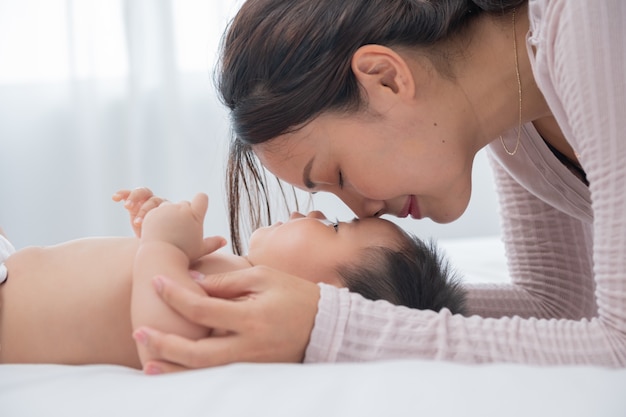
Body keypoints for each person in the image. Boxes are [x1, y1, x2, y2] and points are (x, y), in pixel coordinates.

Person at [130, 0, 626, 372]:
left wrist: (333, 326)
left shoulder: (586, 21)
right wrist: (368, 299)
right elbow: (558, 305)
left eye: (339, 176)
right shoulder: (510, 118)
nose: (364, 212)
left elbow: (618, 345)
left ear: (385, 78)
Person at [0, 188, 466, 369]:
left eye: (334, 228)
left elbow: (162, 334)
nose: (317, 210)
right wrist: (155, 236)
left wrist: (163, 248)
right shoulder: (238, 273)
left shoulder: (250, 312)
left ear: (331, 297)